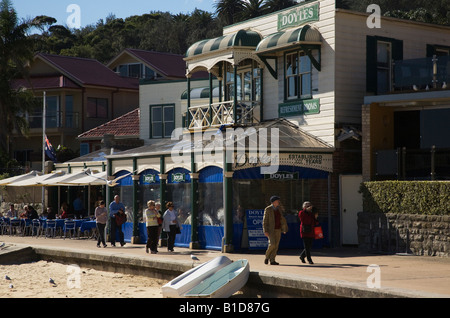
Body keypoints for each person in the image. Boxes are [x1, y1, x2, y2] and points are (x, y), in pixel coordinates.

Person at [263, 196, 288, 265]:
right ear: (273, 202)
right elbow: (265, 221)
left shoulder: (279, 209)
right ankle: (267, 256)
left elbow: (282, 219)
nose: (278, 202)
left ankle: (272, 260)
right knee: (272, 244)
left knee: (276, 245)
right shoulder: (268, 209)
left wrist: (284, 229)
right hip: (271, 230)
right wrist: (265, 230)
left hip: (278, 229)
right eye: (277, 201)